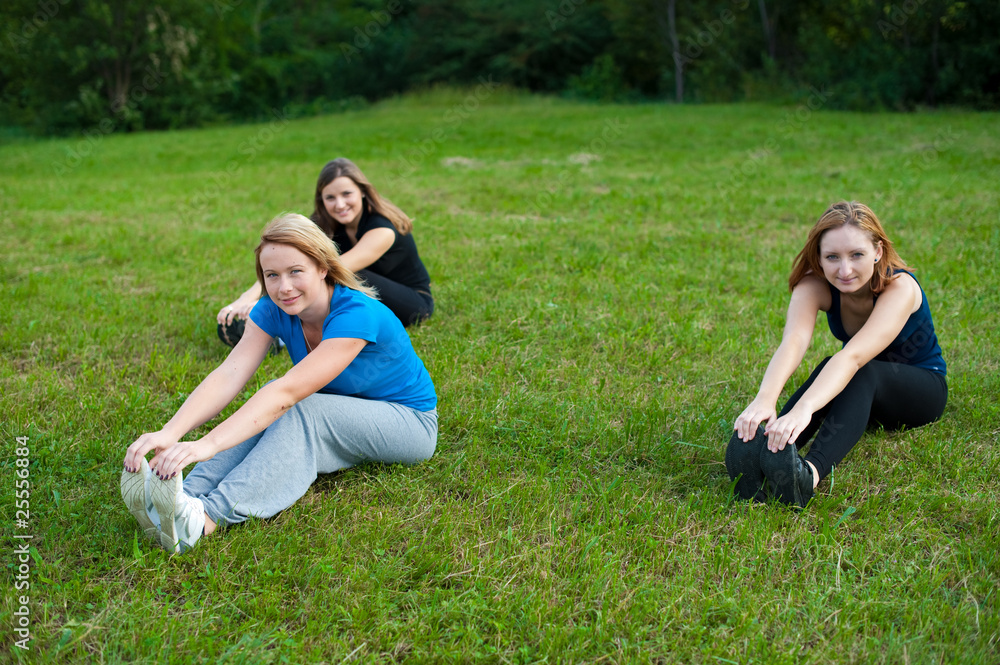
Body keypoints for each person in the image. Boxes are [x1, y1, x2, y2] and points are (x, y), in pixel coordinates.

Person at [122, 213, 438, 553]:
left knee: (301, 408)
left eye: (295, 271)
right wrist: (171, 432)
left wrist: (207, 444)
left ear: (323, 267)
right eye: (272, 275)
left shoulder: (357, 313)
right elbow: (230, 373)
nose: (283, 286)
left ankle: (205, 520)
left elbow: (287, 394)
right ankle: (184, 497)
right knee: (276, 400)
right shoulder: (274, 308)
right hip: (341, 409)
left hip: (408, 423)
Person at [725, 201, 947, 507]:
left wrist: (803, 409)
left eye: (857, 254)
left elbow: (854, 357)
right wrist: (765, 399)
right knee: (833, 367)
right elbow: (794, 341)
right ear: (818, 257)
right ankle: (770, 453)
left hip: (921, 392)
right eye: (832, 257)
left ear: (878, 251)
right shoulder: (814, 285)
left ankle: (808, 477)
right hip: (862, 396)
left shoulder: (900, 287)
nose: (844, 270)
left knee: (859, 369)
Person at [217, 158, 433, 345]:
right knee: (307, 273)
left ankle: (280, 336)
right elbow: (284, 262)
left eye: (347, 194)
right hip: (364, 301)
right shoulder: (325, 223)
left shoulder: (383, 229)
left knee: (332, 274)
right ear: (322, 200)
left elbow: (335, 269)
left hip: (411, 304)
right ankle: (279, 330)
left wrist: (262, 306)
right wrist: (246, 298)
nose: (339, 204)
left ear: (363, 192)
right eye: (330, 197)